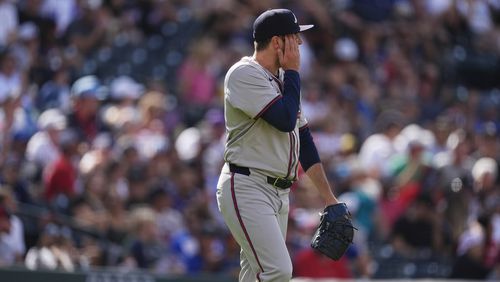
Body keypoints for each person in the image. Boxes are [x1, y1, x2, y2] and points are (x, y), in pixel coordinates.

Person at [216, 9, 346, 282]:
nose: (299, 44)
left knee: (255, 274)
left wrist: (329, 198)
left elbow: (305, 141)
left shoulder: (283, 82)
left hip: (278, 193)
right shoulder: (243, 73)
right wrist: (294, 72)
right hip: (247, 185)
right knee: (278, 271)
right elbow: (285, 120)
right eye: (294, 37)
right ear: (277, 42)